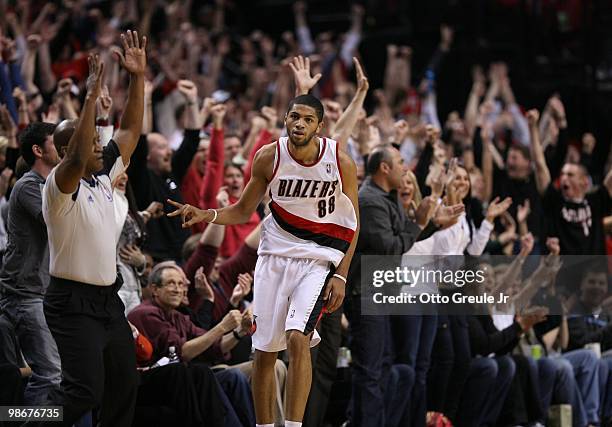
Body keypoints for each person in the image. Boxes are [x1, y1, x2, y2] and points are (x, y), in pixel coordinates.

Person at [168, 92, 360, 427]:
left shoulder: (339, 160)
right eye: (293, 116)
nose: (298, 124)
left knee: (299, 337)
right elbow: (243, 211)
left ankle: (295, 425)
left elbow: (352, 223)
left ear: (319, 125)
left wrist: (341, 275)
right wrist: (207, 213)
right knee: (265, 350)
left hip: (317, 260)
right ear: (285, 119)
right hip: (273, 258)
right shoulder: (268, 157)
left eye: (307, 119)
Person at [40, 30, 145, 427]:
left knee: (125, 384)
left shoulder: (102, 177)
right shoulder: (58, 187)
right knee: (85, 391)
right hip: (71, 304)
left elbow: (131, 132)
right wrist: (88, 98)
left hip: (107, 301)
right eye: (93, 147)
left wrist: (137, 78)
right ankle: (17, 416)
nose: (102, 150)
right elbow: (82, 151)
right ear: (65, 153)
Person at [0, 122, 60, 406]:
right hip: (26, 296)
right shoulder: (28, 187)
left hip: (44, 294)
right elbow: (60, 224)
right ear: (38, 150)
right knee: (49, 375)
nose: (64, 146)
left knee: (67, 377)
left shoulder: (50, 187)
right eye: (56, 141)